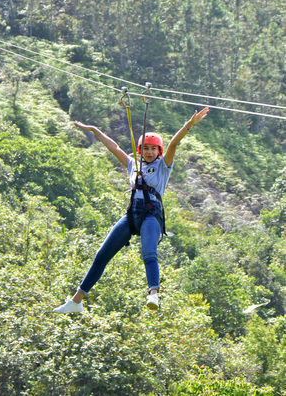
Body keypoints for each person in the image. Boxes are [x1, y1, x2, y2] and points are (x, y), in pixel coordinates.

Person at [53, 107, 209, 313]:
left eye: (154, 149)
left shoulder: (164, 165)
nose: (150, 152)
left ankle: (154, 294)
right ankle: (76, 301)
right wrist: (94, 130)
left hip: (151, 216)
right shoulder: (132, 164)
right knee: (102, 255)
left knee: (149, 254)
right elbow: (114, 147)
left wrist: (188, 125)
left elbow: (173, 144)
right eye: (146, 148)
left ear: (159, 152)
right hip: (131, 216)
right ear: (140, 150)